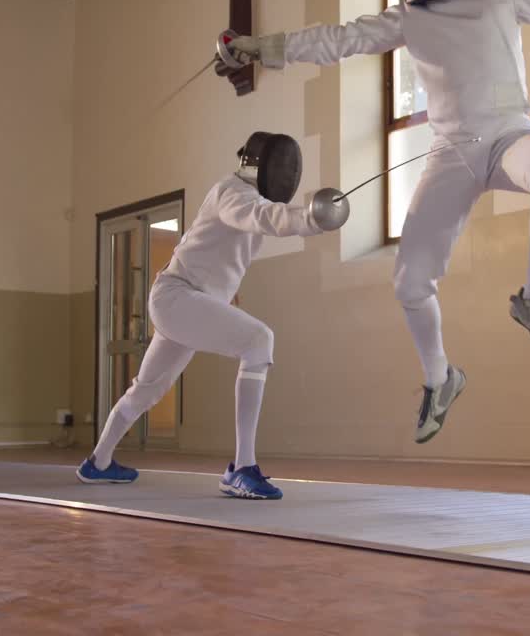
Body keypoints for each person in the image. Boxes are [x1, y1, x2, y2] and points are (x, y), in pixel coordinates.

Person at [224, 0, 530, 444]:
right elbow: (337, 41)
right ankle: (440, 379)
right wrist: (261, 47)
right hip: (451, 152)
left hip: (509, 137)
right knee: (410, 282)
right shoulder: (410, 16)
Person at [76, 132, 346, 499]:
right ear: (258, 164)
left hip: (186, 300)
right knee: (258, 340)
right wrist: (309, 219)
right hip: (178, 297)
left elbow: (224, 251)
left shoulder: (245, 195)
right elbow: (260, 217)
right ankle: (242, 468)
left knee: (148, 389)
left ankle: (99, 462)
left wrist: (227, 294)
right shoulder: (232, 193)